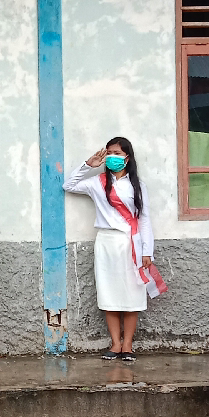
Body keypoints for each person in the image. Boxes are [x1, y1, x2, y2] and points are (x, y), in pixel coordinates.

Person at [63, 137, 154, 362]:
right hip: (106, 242)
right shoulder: (98, 182)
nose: (113, 157)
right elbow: (69, 185)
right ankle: (115, 344)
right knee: (110, 293)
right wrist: (88, 165)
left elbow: (144, 220)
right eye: (110, 152)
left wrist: (147, 251)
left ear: (127, 158)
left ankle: (128, 345)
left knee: (132, 294)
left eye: (118, 153)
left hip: (131, 243)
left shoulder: (137, 186)